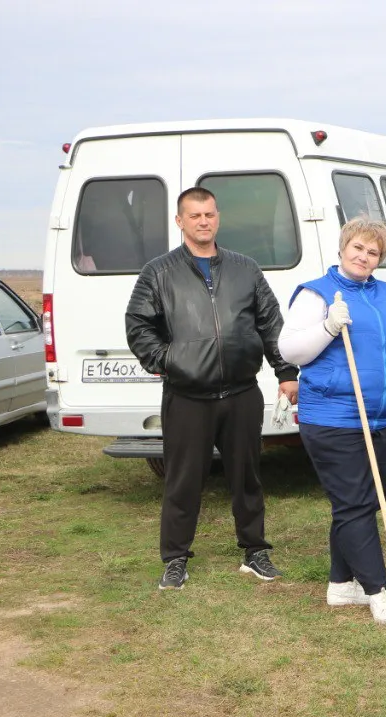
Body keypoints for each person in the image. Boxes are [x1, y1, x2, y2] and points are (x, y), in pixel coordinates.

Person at [126, 187, 297, 591]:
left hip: (241, 392)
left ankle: (255, 552)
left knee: (247, 476)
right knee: (182, 481)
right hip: (188, 397)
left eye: (209, 214)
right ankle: (175, 559)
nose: (203, 221)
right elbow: (138, 327)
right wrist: (170, 361)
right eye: (195, 215)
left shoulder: (245, 269)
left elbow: (271, 323)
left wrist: (286, 371)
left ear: (218, 218)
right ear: (180, 221)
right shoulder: (158, 272)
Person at [278, 218, 386, 623]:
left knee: (367, 501)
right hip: (333, 417)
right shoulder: (317, 294)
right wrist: (327, 327)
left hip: (382, 418)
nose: (364, 256)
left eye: (373, 251)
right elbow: (289, 349)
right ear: (343, 248)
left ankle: (341, 585)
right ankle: (379, 592)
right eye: (357, 248)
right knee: (352, 503)